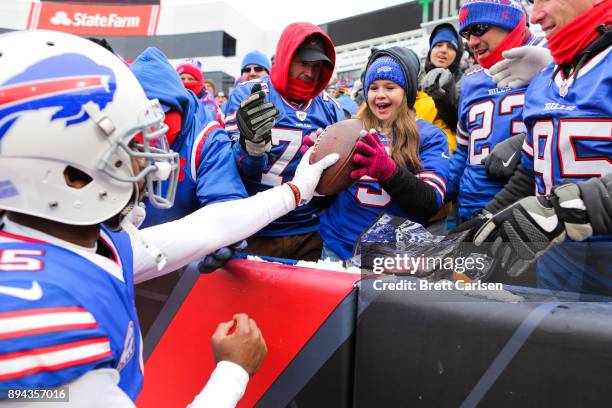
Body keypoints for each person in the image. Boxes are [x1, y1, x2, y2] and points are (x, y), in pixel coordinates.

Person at [0, 30, 338, 406]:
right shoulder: (46, 328)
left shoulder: (76, 243)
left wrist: (298, 190)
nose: (148, 162)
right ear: (71, 172)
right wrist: (233, 371)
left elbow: (206, 227)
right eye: (131, 145)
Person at [464, 0, 612, 294]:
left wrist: (567, 209)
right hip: (557, 277)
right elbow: (528, 176)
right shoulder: (545, 78)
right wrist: (479, 225)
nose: (535, 15)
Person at [224, 22, 343, 261]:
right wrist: (252, 149)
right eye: (303, 63)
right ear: (287, 58)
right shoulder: (250, 93)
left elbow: (336, 177)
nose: (310, 73)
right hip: (257, 226)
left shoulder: (330, 107)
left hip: (308, 230)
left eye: (317, 66)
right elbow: (227, 168)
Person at [319, 48, 450, 261]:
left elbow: (430, 201)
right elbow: (325, 195)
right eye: (373, 87)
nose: (380, 94)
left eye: (390, 87)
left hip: (392, 257)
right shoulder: (350, 129)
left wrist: (389, 172)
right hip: (338, 246)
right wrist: (316, 165)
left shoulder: (430, 136)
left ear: (407, 92)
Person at [445, 0, 546, 223]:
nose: (472, 41)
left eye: (479, 29)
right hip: (470, 210)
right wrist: (440, 192)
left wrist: (526, 142)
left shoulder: (550, 58)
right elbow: (463, 150)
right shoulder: (471, 80)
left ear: (509, 21)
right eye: (466, 34)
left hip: (527, 216)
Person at [417, 23, 465, 152]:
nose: (443, 50)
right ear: (430, 50)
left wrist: (446, 90)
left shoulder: (465, 81)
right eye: (438, 45)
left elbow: (457, 119)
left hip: (448, 155)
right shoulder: (415, 79)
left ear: (458, 54)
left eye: (450, 47)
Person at [176, 59, 225, 126]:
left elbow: (220, 125)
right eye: (182, 79)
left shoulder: (210, 103)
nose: (186, 82)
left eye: (190, 79)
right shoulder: (172, 99)